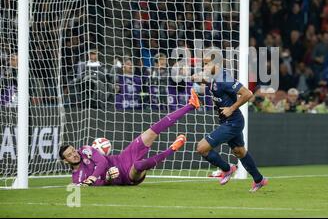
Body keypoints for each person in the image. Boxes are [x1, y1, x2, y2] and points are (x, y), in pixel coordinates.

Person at [59, 89, 201, 186]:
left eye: (73, 150)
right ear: (65, 161)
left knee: (153, 130)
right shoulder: (76, 179)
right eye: (69, 155)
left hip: (123, 157)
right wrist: (107, 179)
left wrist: (93, 177)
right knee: (139, 165)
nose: (74, 154)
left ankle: (191, 105)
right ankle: (172, 149)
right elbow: (97, 184)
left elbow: (102, 162)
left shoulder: (85, 150)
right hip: (126, 176)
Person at [192, 51, 268, 192]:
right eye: (204, 64)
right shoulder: (214, 77)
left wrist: (231, 108)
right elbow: (210, 83)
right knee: (239, 152)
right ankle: (259, 179)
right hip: (227, 121)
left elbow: (247, 94)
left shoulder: (225, 78)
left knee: (201, 148)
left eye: (207, 63)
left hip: (233, 121)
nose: (205, 67)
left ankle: (227, 169)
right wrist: (196, 78)